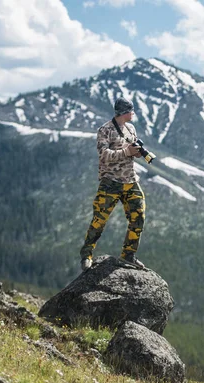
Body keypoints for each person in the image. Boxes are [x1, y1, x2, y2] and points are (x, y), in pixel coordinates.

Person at [79, 97, 146, 270]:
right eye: (131, 110)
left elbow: (130, 150)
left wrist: (136, 153)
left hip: (130, 180)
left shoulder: (131, 128)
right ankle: (86, 255)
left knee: (138, 217)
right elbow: (103, 155)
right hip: (110, 182)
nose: (133, 113)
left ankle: (128, 255)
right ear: (124, 112)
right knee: (99, 220)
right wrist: (126, 151)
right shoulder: (105, 130)